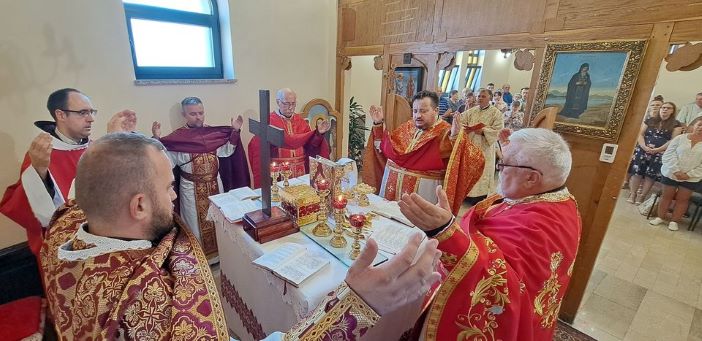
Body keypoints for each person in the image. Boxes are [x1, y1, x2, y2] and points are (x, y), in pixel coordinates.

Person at [41, 133, 442, 340]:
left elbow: (93, 185)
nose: (174, 195)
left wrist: (117, 144)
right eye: (168, 189)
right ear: (139, 207)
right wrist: (356, 304)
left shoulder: (68, 226)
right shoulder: (154, 317)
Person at [398, 128, 582, 341]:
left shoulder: (541, 223)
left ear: (532, 178)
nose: (499, 169)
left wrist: (444, 231)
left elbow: (499, 284)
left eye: (503, 164)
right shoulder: (555, 199)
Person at [0, 88, 135, 258]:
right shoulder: (42, 154)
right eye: (83, 112)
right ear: (61, 115)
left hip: (105, 237)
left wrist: (116, 141)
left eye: (92, 112)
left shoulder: (94, 148)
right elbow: (33, 213)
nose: (91, 119)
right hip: (69, 246)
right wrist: (40, 174)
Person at [152, 96, 250, 260]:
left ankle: (222, 256)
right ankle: (201, 259)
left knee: (218, 222)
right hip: (191, 188)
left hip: (215, 185)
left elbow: (226, 151)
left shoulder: (212, 134)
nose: (198, 117)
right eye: (193, 114)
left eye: (201, 113)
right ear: (184, 115)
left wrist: (235, 132)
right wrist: (158, 142)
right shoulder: (178, 138)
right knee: (195, 226)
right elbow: (168, 163)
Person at [362, 90, 484, 209]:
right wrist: (378, 124)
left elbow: (473, 159)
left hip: (424, 191)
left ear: (436, 110)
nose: (418, 115)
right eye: (415, 111)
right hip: (391, 188)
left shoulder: (446, 131)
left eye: (423, 111)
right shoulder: (408, 126)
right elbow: (387, 148)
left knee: (418, 225)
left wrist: (457, 138)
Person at [247, 88, 331, 188]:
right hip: (279, 172)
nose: (291, 107)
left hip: (300, 171)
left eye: (293, 103)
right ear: (278, 102)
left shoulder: (300, 121)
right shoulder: (269, 121)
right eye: (287, 103)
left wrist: (318, 134)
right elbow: (259, 147)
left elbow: (311, 145)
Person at [649, 116, 702, 231]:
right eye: (699, 125)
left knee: (682, 199)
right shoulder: (680, 138)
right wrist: (676, 170)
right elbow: (669, 154)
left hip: (691, 177)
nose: (701, 128)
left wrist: (688, 174)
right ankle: (660, 217)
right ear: (693, 126)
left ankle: (674, 221)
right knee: (666, 196)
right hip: (671, 173)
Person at [627, 102, 682, 204]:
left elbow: (673, 140)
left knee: (650, 175)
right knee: (636, 172)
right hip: (643, 149)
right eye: (663, 107)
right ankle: (633, 193)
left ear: (673, 111)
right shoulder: (650, 120)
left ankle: (642, 196)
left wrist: (658, 149)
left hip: (660, 152)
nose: (665, 109)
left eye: (668, 108)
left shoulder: (676, 124)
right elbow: (640, 134)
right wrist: (643, 146)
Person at [459, 89, 504, 205]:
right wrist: (459, 120)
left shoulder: (496, 113)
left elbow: (499, 130)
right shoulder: (471, 111)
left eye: (483, 96)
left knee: (482, 172)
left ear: (490, 98)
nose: (480, 98)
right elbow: (461, 122)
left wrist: (483, 131)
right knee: (469, 171)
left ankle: (479, 197)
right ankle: (467, 196)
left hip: (485, 148)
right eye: (478, 96)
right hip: (471, 146)